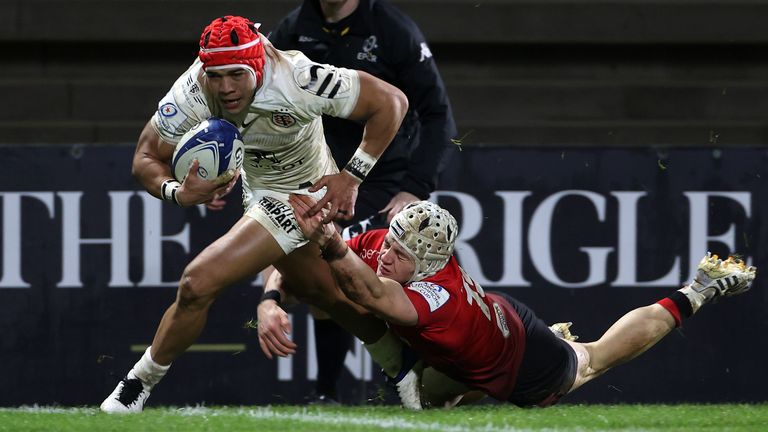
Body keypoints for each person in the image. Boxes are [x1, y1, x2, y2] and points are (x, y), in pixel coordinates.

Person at [99, 14, 411, 413]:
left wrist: (351, 177)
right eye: (215, 76)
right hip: (258, 188)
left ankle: (136, 385)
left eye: (236, 74)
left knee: (197, 282)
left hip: (303, 195)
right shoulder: (193, 90)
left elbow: (392, 102)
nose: (225, 87)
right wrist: (180, 192)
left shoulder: (298, 78)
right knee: (326, 294)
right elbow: (144, 157)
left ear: (258, 64)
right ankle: (403, 365)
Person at [260, 196, 757, 408]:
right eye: (388, 245)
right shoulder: (397, 250)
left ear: (428, 264)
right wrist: (272, 296)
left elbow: (363, 290)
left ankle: (696, 290)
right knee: (432, 392)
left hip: (526, 363)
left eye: (399, 253)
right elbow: (307, 257)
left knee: (594, 359)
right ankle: (422, 374)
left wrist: (330, 244)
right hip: (493, 323)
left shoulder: (437, 295)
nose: (385, 255)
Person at [269, 0, 458, 403]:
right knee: (320, 270)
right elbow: (258, 103)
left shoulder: (393, 31)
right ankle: (330, 391)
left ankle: (414, 374)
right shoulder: (291, 30)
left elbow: (438, 114)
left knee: (361, 270)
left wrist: (414, 186)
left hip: (383, 181)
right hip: (321, 176)